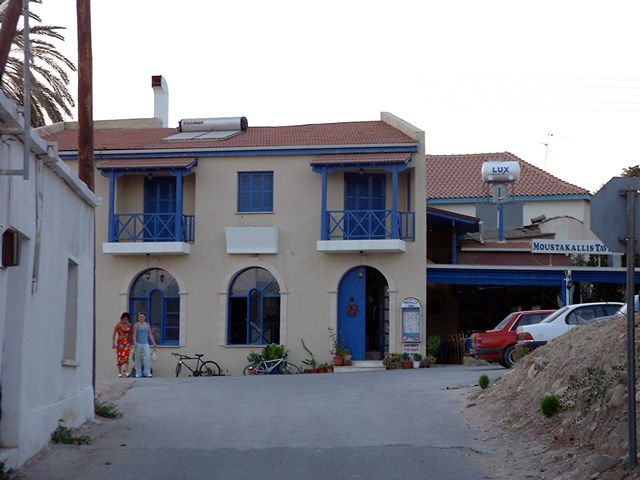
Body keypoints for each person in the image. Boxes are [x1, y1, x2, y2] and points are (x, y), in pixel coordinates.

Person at [132, 312, 157, 377]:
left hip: (146, 343)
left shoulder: (147, 325)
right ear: (138, 318)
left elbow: (150, 334)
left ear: (144, 317)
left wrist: (153, 342)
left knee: (148, 357)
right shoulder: (136, 325)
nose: (141, 318)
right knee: (138, 358)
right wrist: (135, 342)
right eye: (140, 317)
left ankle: (147, 372)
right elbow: (134, 334)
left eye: (142, 317)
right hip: (138, 343)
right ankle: (138, 373)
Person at [112, 312, 132, 377]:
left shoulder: (129, 325)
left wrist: (130, 342)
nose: (125, 321)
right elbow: (114, 334)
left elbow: (130, 334)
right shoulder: (118, 325)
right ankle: (119, 372)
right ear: (121, 318)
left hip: (127, 343)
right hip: (120, 343)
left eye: (126, 319)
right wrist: (113, 343)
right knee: (120, 357)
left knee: (126, 356)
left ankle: (127, 372)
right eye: (124, 319)